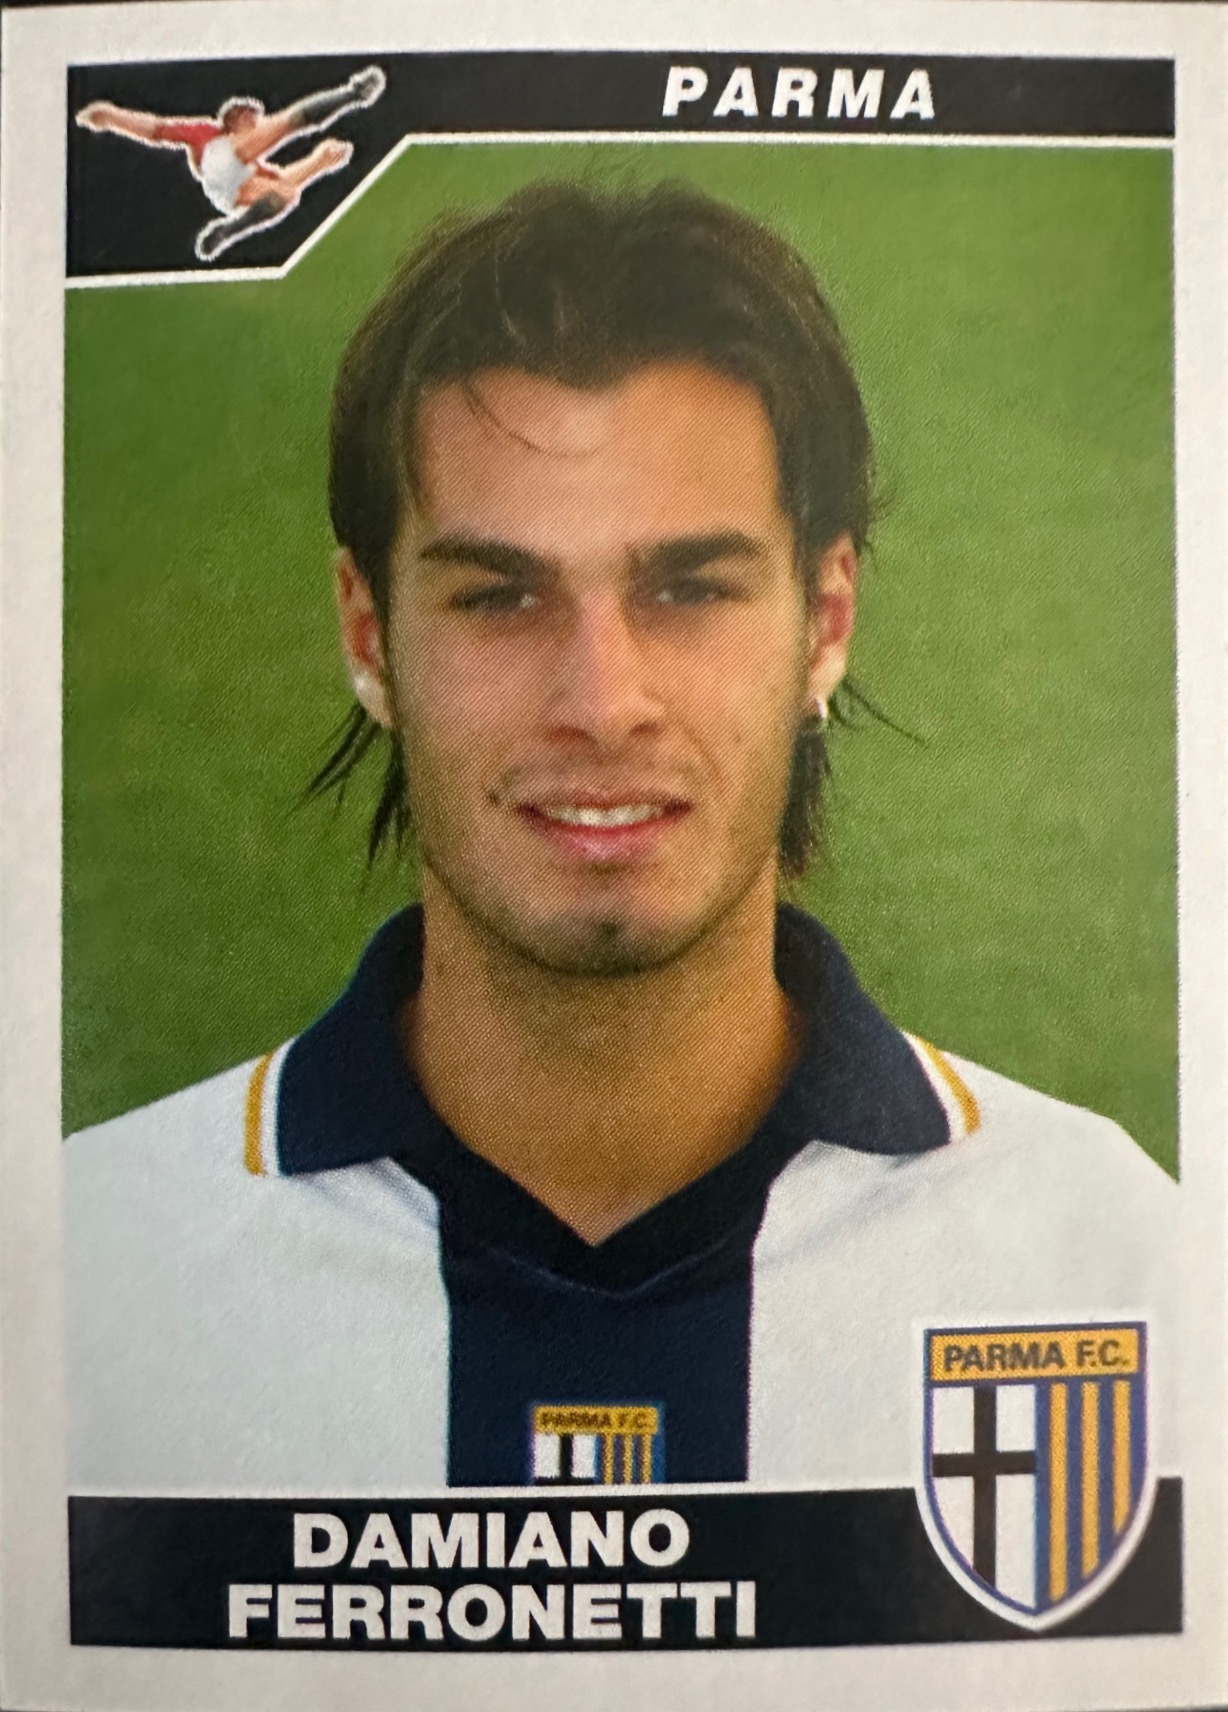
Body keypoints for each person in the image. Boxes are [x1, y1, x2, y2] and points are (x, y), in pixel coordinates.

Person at [66, 183, 1173, 1556]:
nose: (602, 700)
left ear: (825, 621)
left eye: (689, 589)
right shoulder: (87, 1274)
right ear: (368, 635)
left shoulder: (1115, 1257)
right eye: (499, 595)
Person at [75, 65, 385, 261]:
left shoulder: (253, 166)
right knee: (282, 126)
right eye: (249, 118)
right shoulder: (209, 134)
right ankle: (353, 94)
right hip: (217, 163)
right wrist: (112, 117)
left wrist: (320, 163)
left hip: (229, 196)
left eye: (255, 119)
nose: (255, 123)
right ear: (232, 119)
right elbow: (156, 129)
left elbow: (285, 182)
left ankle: (228, 230)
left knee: (288, 193)